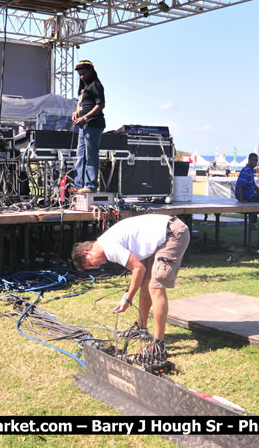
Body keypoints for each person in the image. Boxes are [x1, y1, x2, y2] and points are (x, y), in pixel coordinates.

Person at [72, 214, 190, 360]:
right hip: (164, 235)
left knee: (156, 287)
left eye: (91, 264)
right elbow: (140, 271)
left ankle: (158, 346)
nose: (96, 266)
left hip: (173, 233)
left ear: (87, 253)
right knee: (146, 282)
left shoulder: (109, 247)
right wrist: (128, 293)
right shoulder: (106, 243)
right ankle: (141, 329)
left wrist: (128, 298)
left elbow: (138, 269)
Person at [72, 60, 105, 193]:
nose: (81, 76)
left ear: (91, 71)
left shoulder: (95, 85)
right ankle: (79, 185)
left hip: (93, 125)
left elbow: (100, 104)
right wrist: (75, 113)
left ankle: (90, 185)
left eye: (83, 74)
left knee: (91, 155)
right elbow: (81, 105)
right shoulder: (83, 88)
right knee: (80, 155)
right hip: (83, 126)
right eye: (79, 74)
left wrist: (85, 117)